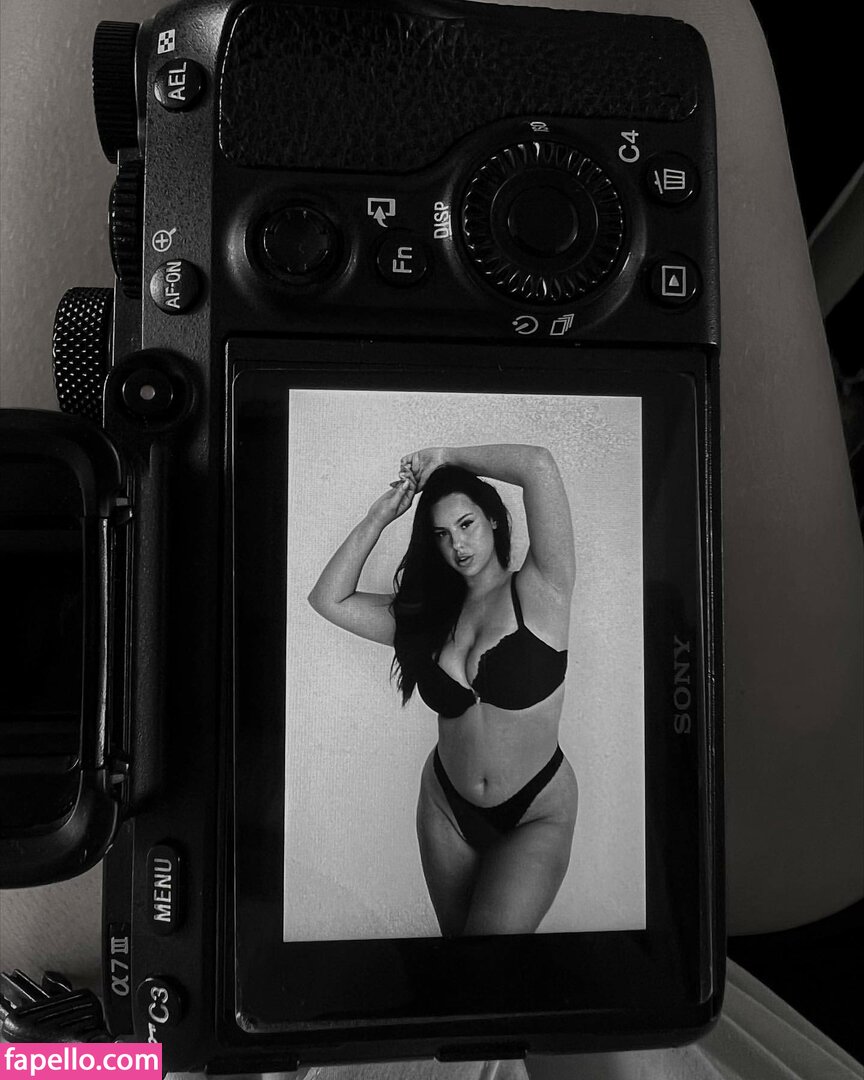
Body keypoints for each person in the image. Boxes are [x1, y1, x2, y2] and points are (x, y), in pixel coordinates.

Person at [308, 444, 579, 937]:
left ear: (493, 519)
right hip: (446, 807)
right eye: (442, 534)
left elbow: (538, 464)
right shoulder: (428, 619)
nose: (458, 544)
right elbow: (329, 599)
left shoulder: (543, 589)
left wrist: (448, 458)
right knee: (456, 964)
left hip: (536, 810)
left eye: (466, 524)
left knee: (489, 961)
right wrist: (380, 516)